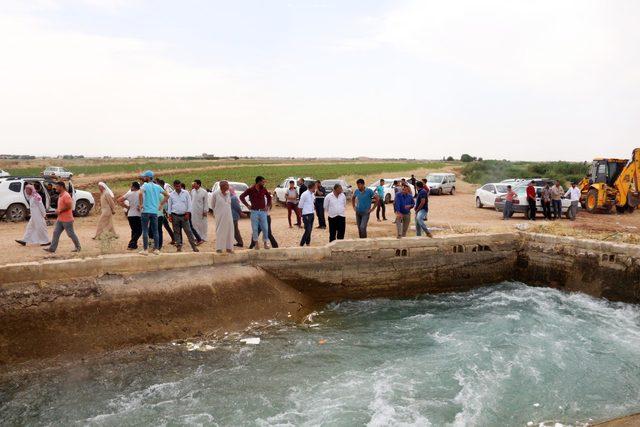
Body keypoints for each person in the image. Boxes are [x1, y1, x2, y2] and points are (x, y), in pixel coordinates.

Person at [44, 181, 81, 253]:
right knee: (55, 233)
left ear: (61, 187)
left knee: (70, 234)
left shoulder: (66, 195)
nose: (56, 188)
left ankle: (78, 247)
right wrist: (58, 210)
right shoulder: (61, 195)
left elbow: (69, 206)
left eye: (57, 187)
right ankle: (52, 249)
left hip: (67, 219)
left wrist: (60, 210)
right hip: (60, 219)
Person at [138, 170, 169, 255]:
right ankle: (156, 249)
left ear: (147, 177)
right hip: (154, 212)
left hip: (146, 211)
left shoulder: (145, 185)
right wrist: (161, 204)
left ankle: (145, 250)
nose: (144, 178)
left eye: (145, 176)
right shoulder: (157, 186)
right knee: (156, 231)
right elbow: (167, 195)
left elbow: (140, 194)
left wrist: (140, 204)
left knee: (145, 230)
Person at [240, 175, 272, 249]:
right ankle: (256, 244)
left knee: (265, 228)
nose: (264, 183)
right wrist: (247, 205)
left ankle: (265, 243)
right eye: (263, 182)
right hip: (254, 212)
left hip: (263, 212)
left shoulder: (264, 189)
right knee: (254, 228)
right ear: (259, 182)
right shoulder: (250, 189)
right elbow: (241, 197)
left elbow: (269, 197)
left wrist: (267, 206)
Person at [167, 180, 199, 252]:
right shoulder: (171, 194)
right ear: (174, 186)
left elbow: (189, 204)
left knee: (188, 231)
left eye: (179, 186)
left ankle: (194, 247)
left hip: (185, 215)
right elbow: (169, 205)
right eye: (176, 186)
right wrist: (169, 215)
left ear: (181, 185)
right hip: (174, 215)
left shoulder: (186, 193)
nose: (178, 187)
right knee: (176, 232)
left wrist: (188, 213)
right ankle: (178, 246)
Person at [210, 180, 235, 253]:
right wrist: (216, 213)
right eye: (227, 185)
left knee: (230, 231)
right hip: (219, 216)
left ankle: (229, 248)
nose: (228, 186)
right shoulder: (215, 194)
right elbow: (212, 205)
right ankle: (219, 248)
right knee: (220, 231)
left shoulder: (228, 193)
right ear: (222, 186)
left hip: (229, 216)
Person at [117, 181, 142, 250]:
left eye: (131, 186)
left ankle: (134, 245)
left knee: (134, 230)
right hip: (138, 215)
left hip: (130, 214)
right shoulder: (141, 193)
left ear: (133, 187)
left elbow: (119, 200)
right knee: (139, 230)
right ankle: (131, 243)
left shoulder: (129, 194)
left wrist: (126, 207)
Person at [156, 179, 175, 246]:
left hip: (161, 212)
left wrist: (166, 210)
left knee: (160, 228)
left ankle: (159, 243)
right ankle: (173, 238)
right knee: (166, 226)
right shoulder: (162, 191)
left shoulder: (161, 192)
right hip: (163, 212)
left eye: (157, 183)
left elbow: (166, 203)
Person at [299, 181, 316, 246]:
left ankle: (308, 243)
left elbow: (312, 203)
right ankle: (301, 244)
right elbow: (300, 206)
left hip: (311, 213)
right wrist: (301, 216)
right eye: (315, 187)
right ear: (312, 187)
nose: (315, 189)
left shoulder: (312, 194)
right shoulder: (304, 194)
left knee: (310, 230)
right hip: (306, 214)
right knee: (308, 230)